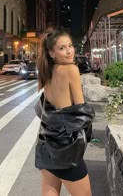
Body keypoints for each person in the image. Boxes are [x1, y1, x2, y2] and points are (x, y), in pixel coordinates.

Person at [35, 28, 95, 196]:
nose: (69, 51)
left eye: (70, 46)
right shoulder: (71, 70)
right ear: (52, 53)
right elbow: (81, 112)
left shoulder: (46, 72)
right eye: (62, 48)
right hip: (67, 149)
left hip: (46, 143)